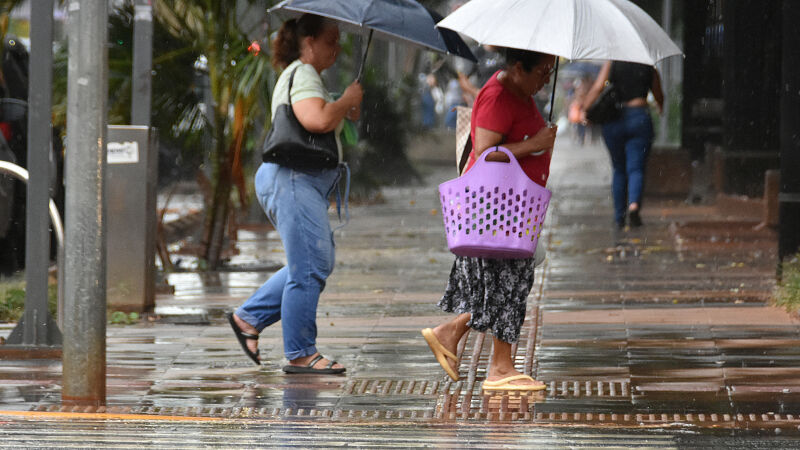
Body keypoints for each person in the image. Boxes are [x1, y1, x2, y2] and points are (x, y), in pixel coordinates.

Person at [227, 14, 363, 374]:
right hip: (292, 178)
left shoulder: (309, 78)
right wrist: (345, 99)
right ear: (308, 44)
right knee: (310, 265)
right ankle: (301, 352)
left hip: (298, 180)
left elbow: (328, 121)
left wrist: (347, 104)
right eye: (330, 41)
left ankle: (249, 318)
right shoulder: (302, 73)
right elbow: (315, 121)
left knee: (315, 261)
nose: (336, 48)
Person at [422, 48, 557, 391]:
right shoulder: (498, 95)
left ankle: (451, 335)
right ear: (516, 67)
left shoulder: (521, 93)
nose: (546, 79)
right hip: (493, 207)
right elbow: (485, 151)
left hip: (512, 205)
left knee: (506, 282)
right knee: (509, 281)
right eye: (541, 71)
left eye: (550, 71)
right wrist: (534, 144)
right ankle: (498, 368)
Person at [581, 61, 663, 228]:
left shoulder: (612, 62)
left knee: (619, 169)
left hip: (614, 118)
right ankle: (634, 205)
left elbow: (598, 87)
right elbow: (658, 94)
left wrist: (585, 109)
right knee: (636, 168)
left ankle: (619, 216)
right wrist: (660, 107)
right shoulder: (647, 63)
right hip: (639, 116)